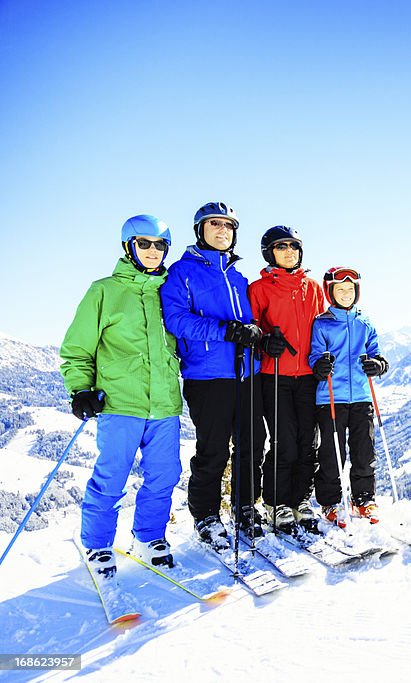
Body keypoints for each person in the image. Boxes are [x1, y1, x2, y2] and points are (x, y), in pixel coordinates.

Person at [59, 215, 183, 577]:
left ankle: (148, 538)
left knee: (164, 474)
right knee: (111, 476)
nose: (152, 251)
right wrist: (80, 389)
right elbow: (76, 348)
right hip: (118, 402)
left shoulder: (170, 292)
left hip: (164, 403)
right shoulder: (104, 291)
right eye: (144, 244)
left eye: (160, 245)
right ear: (129, 246)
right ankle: (97, 545)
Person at [160, 201, 267, 551]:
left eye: (228, 226)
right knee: (214, 449)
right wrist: (226, 331)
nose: (222, 231)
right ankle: (206, 516)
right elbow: (176, 320)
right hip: (207, 376)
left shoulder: (238, 277)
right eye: (214, 225)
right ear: (200, 231)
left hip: (246, 373)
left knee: (252, 444)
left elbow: (248, 325)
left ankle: (245, 507)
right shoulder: (182, 273)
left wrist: (261, 336)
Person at [248, 226, 327, 533]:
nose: (289, 251)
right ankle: (277, 502)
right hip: (275, 374)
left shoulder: (313, 287)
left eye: (294, 246)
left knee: (308, 440)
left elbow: (322, 329)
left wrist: (323, 359)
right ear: (270, 252)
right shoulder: (259, 289)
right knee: (284, 440)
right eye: (282, 247)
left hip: (307, 375)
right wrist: (265, 341)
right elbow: (251, 328)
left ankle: (302, 500)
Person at [309, 267, 389, 525]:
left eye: (350, 289)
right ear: (330, 292)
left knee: (364, 450)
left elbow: (376, 352)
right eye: (340, 289)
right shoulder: (322, 323)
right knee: (332, 454)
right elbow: (314, 354)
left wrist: (378, 365)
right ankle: (331, 503)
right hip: (331, 397)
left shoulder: (365, 322)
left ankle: (363, 499)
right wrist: (319, 366)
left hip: (362, 397)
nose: (346, 293)